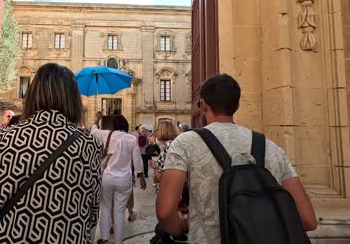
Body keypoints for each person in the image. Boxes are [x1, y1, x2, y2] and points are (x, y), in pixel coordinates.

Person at [156, 74, 317, 243]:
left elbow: (165, 212)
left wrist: (182, 226)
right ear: (237, 105)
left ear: (202, 104)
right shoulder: (271, 148)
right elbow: (308, 220)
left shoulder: (186, 142)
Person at [0, 63, 102, 243]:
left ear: (32, 95)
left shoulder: (3, 138)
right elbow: (93, 213)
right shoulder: (89, 145)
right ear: (74, 99)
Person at [91, 112, 146, 244]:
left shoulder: (106, 134)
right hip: (124, 180)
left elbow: (93, 131)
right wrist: (141, 176)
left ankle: (104, 238)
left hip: (108, 178)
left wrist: (97, 119)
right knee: (120, 211)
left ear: (114, 126)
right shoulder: (131, 139)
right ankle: (118, 241)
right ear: (126, 126)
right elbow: (137, 161)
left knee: (105, 207)